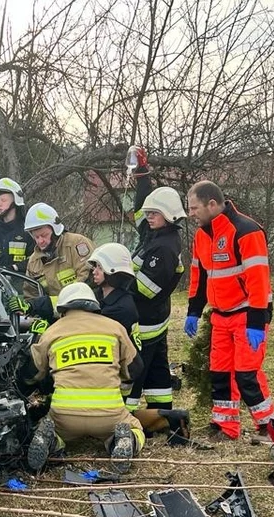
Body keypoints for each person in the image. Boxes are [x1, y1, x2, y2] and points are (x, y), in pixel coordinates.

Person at [24, 282, 146, 472]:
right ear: (94, 305)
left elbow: (32, 374)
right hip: (109, 414)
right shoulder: (114, 327)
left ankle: (52, 441)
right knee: (135, 426)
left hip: (65, 416)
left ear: (62, 308)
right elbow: (135, 369)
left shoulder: (51, 332)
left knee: (48, 426)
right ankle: (124, 440)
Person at [185, 180, 274, 440]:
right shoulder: (202, 235)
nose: (191, 214)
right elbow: (198, 275)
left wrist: (257, 321)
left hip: (248, 314)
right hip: (220, 315)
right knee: (220, 373)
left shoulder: (246, 230)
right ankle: (226, 426)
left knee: (247, 375)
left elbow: (258, 279)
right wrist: (193, 310)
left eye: (194, 208)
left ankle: (269, 427)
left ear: (212, 204)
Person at [87, 242, 191, 445]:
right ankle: (165, 417)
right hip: (117, 372)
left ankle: (166, 420)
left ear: (112, 272)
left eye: (99, 267)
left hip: (119, 376)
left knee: (117, 419)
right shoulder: (107, 296)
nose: (94, 271)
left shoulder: (119, 308)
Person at [124, 147, 186, 411]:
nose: (148, 218)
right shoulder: (156, 234)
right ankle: (163, 413)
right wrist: (141, 175)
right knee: (159, 367)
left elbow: (147, 289)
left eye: (154, 214)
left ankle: (125, 414)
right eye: (149, 214)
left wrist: (113, 281)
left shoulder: (164, 247)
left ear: (169, 215)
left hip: (148, 318)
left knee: (137, 366)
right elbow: (140, 208)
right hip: (154, 316)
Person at [8, 202, 95, 320]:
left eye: (44, 235)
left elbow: (87, 285)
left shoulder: (77, 245)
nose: (40, 241)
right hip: (54, 320)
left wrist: (47, 304)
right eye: (36, 237)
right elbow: (31, 298)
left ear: (55, 229)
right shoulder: (34, 262)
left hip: (83, 315)